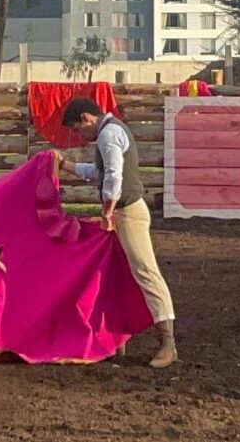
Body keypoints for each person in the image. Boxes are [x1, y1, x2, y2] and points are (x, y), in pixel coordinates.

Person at [56, 97, 178, 368]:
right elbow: (99, 172)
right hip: (124, 211)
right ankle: (116, 342)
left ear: (88, 118)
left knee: (146, 272)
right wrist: (64, 164)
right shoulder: (110, 132)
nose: (79, 135)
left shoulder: (107, 135)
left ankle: (168, 343)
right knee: (119, 274)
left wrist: (106, 211)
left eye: (78, 129)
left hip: (127, 213)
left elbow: (113, 176)